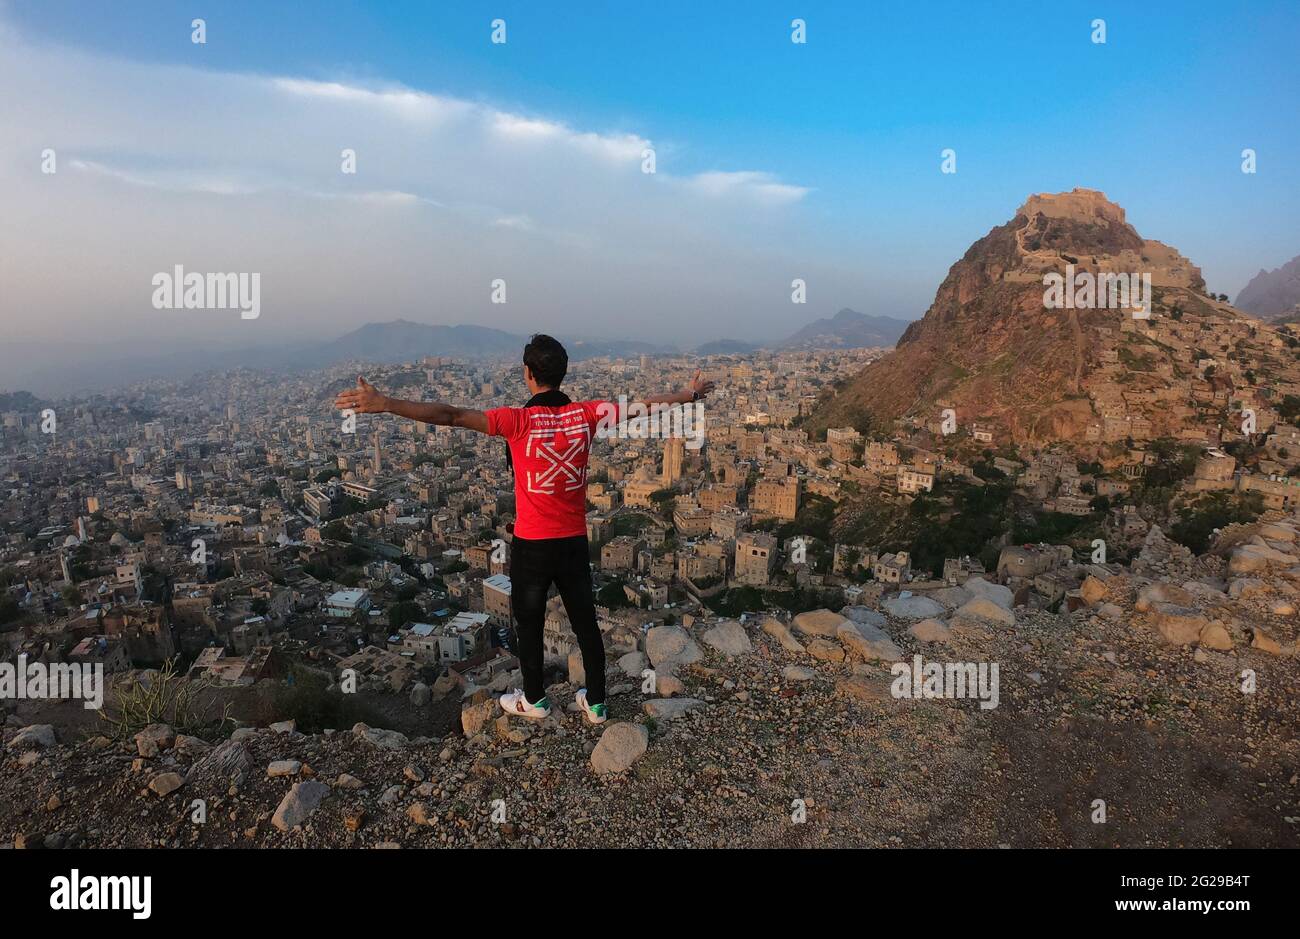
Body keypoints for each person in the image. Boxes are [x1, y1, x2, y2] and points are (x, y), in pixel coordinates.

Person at [333, 334, 715, 725]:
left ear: (527, 374)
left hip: (532, 544)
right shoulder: (586, 414)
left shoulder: (517, 421)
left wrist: (386, 404)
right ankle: (596, 703)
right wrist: (688, 393)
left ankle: (534, 699)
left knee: (528, 623)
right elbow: (643, 406)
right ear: (562, 374)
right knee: (584, 621)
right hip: (573, 542)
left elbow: (450, 415)